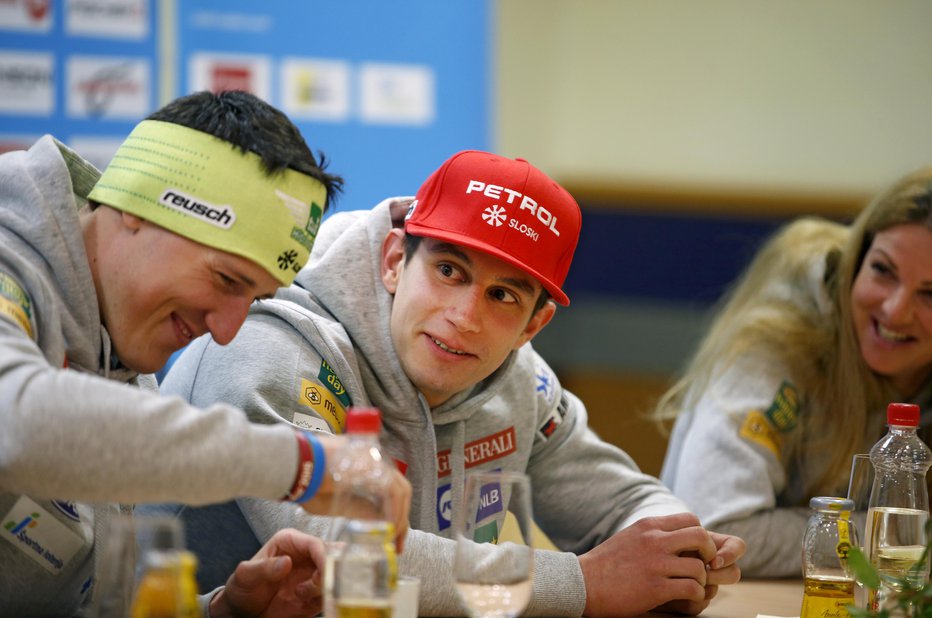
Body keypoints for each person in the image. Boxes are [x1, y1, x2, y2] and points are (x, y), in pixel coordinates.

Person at [157, 150, 746, 617]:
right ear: (394, 261)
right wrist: (585, 583)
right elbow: (344, 556)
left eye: (502, 296)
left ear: (533, 324)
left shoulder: (521, 380)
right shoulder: (269, 351)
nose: (464, 316)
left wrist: (678, 555)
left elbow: (621, 501)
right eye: (448, 271)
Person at [0, 90, 410, 616]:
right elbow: (18, 420)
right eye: (225, 279)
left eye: (255, 297)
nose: (226, 330)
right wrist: (301, 464)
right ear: (138, 207)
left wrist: (223, 611)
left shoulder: (125, 363)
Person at [655, 166, 932, 577]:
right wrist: (902, 536)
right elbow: (714, 530)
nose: (894, 310)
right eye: (882, 270)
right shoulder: (780, 338)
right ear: (856, 261)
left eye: (930, 294)